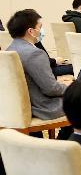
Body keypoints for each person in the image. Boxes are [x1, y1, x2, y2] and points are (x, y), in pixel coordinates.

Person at [5, 9, 73, 137]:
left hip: (20, 106)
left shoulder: (10, 50)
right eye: (40, 27)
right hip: (42, 107)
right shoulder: (35, 53)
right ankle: (64, 143)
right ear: (31, 31)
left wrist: (57, 83)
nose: (41, 31)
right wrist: (70, 87)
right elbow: (51, 89)